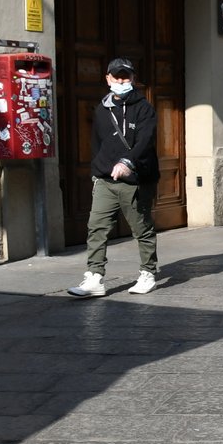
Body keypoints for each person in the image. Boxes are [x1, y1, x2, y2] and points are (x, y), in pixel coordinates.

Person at [68, 57, 159, 298]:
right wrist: (97, 172)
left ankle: (148, 272)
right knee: (96, 227)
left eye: (125, 77)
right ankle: (95, 277)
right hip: (106, 180)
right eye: (116, 77)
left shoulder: (144, 108)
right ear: (107, 78)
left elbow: (145, 141)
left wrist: (128, 162)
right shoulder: (101, 109)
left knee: (141, 228)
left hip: (135, 179)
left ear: (133, 79)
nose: (121, 81)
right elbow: (98, 144)